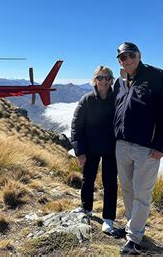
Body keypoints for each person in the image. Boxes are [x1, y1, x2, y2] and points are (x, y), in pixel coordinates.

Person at [113, 42, 163, 254]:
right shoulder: (122, 80)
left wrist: (162, 145)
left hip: (147, 148)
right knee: (127, 189)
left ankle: (134, 239)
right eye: (123, 57)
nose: (127, 60)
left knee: (142, 193)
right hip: (122, 145)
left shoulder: (156, 76)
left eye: (130, 55)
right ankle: (133, 227)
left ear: (139, 55)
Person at [70, 66, 118, 234]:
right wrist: (79, 151)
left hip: (112, 149)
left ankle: (108, 219)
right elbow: (76, 126)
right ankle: (86, 209)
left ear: (111, 80)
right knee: (88, 179)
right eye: (100, 78)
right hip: (90, 148)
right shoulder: (87, 99)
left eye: (106, 78)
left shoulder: (118, 99)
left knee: (110, 183)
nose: (103, 81)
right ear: (94, 80)